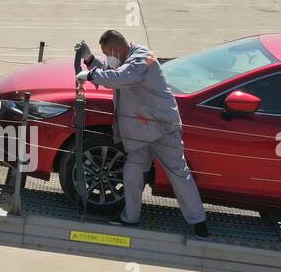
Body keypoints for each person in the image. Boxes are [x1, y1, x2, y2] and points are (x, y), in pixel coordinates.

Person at [76, 30, 209, 238]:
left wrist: (92, 75)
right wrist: (89, 60)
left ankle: (198, 221)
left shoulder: (142, 59)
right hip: (141, 133)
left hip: (162, 129)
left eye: (106, 53)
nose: (107, 57)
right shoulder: (125, 59)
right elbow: (112, 73)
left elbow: (122, 77)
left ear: (115, 48)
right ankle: (130, 217)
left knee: (178, 174)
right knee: (132, 173)